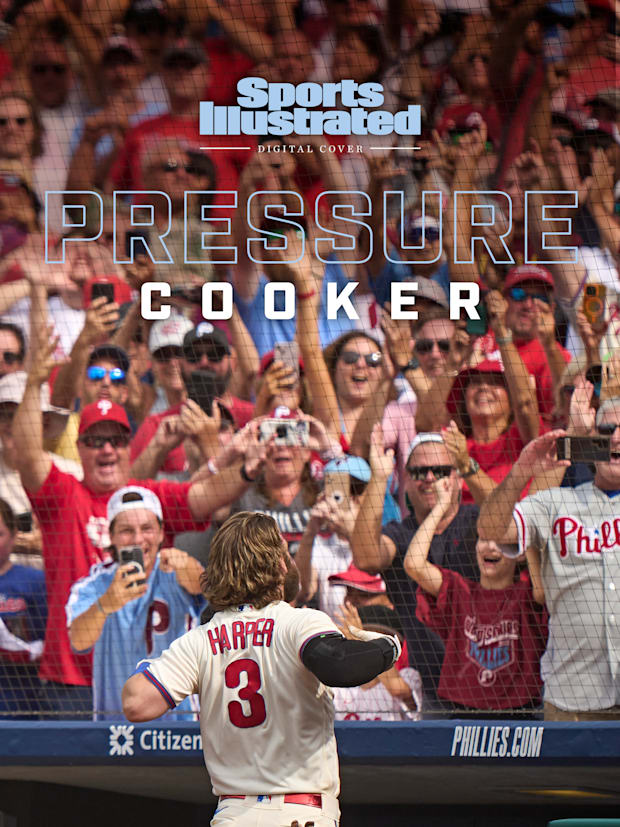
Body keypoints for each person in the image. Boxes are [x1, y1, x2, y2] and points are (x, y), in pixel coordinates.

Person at [12, 329, 264, 714]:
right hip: (72, 682)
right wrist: (33, 384)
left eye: (116, 439)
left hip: (148, 682)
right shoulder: (62, 493)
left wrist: (248, 468)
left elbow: (206, 496)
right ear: (79, 449)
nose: (107, 448)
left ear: (130, 447)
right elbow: (28, 454)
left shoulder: (147, 499)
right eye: (95, 440)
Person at [122, 511, 402, 827]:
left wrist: (169, 662)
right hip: (301, 813)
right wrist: (389, 647)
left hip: (232, 816)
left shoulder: (199, 640)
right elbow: (339, 665)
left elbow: (136, 702)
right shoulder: (299, 622)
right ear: (279, 565)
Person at [477, 400, 620, 720]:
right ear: (590, 442)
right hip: (574, 698)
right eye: (607, 430)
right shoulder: (556, 502)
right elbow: (491, 528)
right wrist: (520, 473)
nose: (615, 438)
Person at [351, 428, 478, 707]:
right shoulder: (400, 533)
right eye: (419, 472)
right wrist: (380, 478)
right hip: (430, 690)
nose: (429, 478)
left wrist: (469, 465)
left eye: (440, 470)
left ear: (457, 478)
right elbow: (366, 558)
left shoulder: (478, 522)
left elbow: (509, 526)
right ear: (406, 482)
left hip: (487, 682)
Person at [405, 476, 547, 715]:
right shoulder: (459, 591)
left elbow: (541, 589)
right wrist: (441, 506)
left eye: (501, 540)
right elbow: (413, 564)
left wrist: (527, 527)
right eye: (483, 539)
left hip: (519, 716)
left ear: (519, 552)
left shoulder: (528, 596)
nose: (490, 546)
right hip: (460, 715)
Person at [67, 486, 205, 720]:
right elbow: (78, 642)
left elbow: (203, 586)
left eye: (147, 528)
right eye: (126, 531)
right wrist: (105, 605)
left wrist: (188, 564)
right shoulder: (93, 584)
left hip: (180, 725)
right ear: (111, 537)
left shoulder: (176, 570)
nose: (138, 539)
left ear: (161, 533)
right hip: (116, 726)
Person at [0, 498, 47, 716]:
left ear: (13, 536)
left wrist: (21, 651)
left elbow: (49, 642)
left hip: (21, 699)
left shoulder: (34, 581)